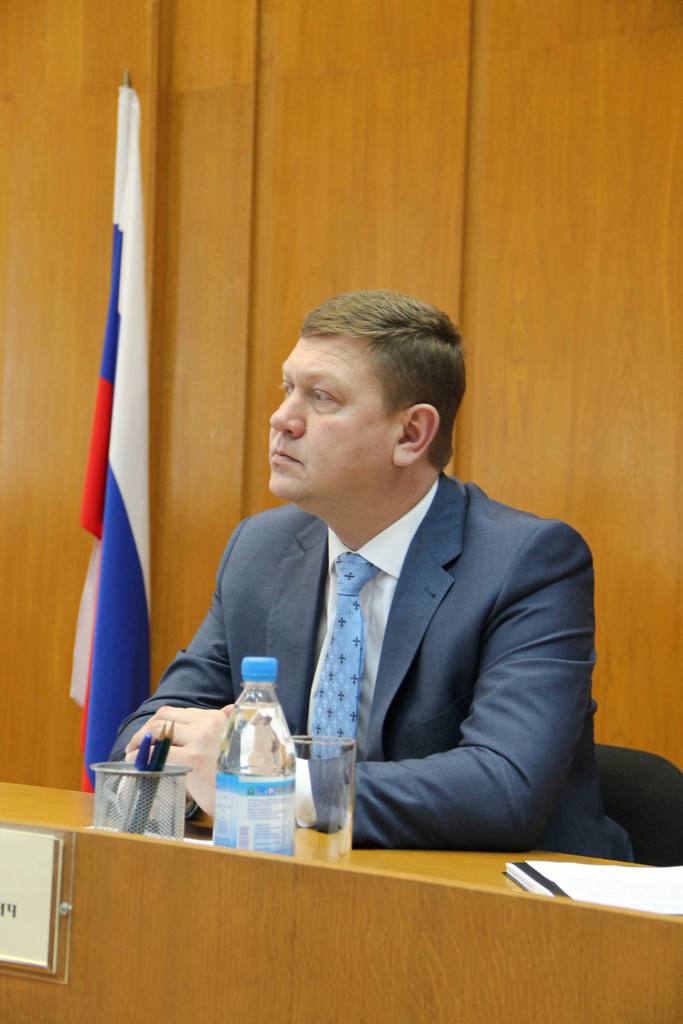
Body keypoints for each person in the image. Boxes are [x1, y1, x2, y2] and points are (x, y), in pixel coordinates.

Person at [112, 290, 631, 857]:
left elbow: (504, 789)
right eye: (287, 388)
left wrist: (272, 784)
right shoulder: (261, 550)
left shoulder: (526, 563)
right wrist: (193, 770)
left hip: (502, 901)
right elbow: (147, 734)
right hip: (307, 886)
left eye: (322, 397)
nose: (282, 419)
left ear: (411, 435)